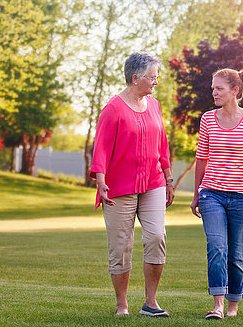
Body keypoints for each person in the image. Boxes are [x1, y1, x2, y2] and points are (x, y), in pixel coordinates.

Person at [90, 52, 174, 317]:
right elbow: (101, 148)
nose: (156, 82)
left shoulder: (155, 105)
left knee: (157, 237)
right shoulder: (113, 108)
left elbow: (162, 144)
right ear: (135, 78)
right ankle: (122, 305)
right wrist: (101, 182)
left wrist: (168, 178)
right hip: (119, 188)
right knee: (121, 246)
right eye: (152, 77)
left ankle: (151, 302)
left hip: (153, 183)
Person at [190, 68, 243, 320]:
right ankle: (218, 305)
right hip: (211, 194)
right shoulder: (208, 119)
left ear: (235, 90)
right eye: (213, 88)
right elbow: (201, 158)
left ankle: (233, 305)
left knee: (236, 254)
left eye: (218, 88)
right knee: (216, 247)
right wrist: (196, 194)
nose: (213, 92)